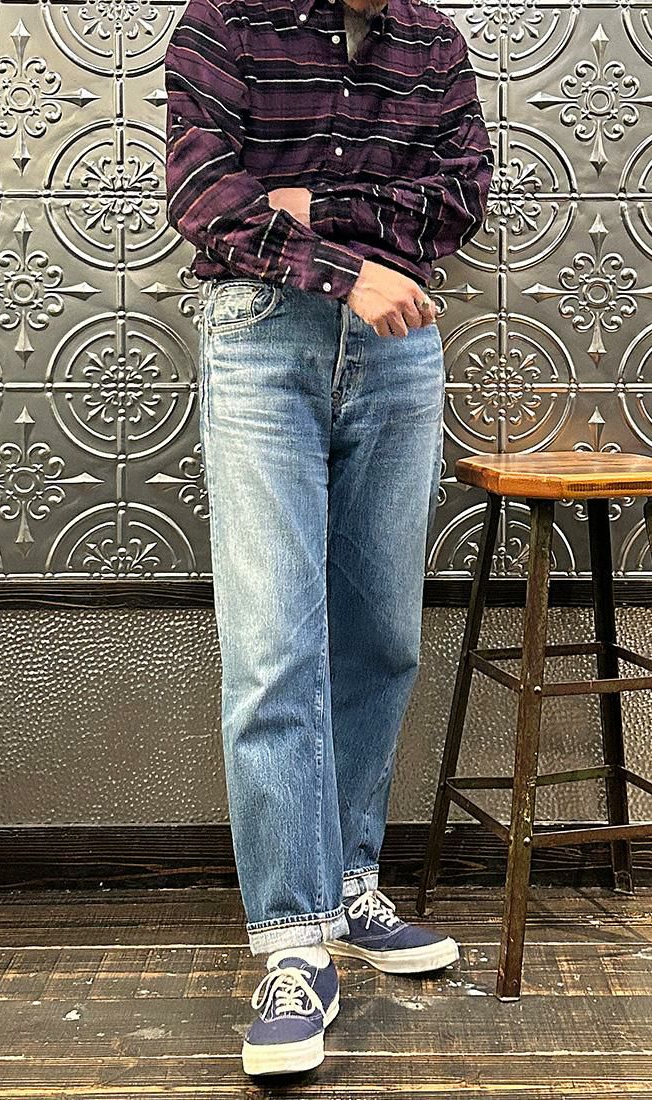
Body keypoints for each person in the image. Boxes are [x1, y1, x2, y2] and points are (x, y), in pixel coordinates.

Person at [163, 0, 494, 1077]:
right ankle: (293, 944)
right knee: (275, 649)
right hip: (264, 343)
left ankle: (350, 886)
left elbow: (459, 199)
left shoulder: (432, 40)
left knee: (380, 636)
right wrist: (347, 266)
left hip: (400, 352)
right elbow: (203, 197)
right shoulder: (223, 22)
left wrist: (314, 206)